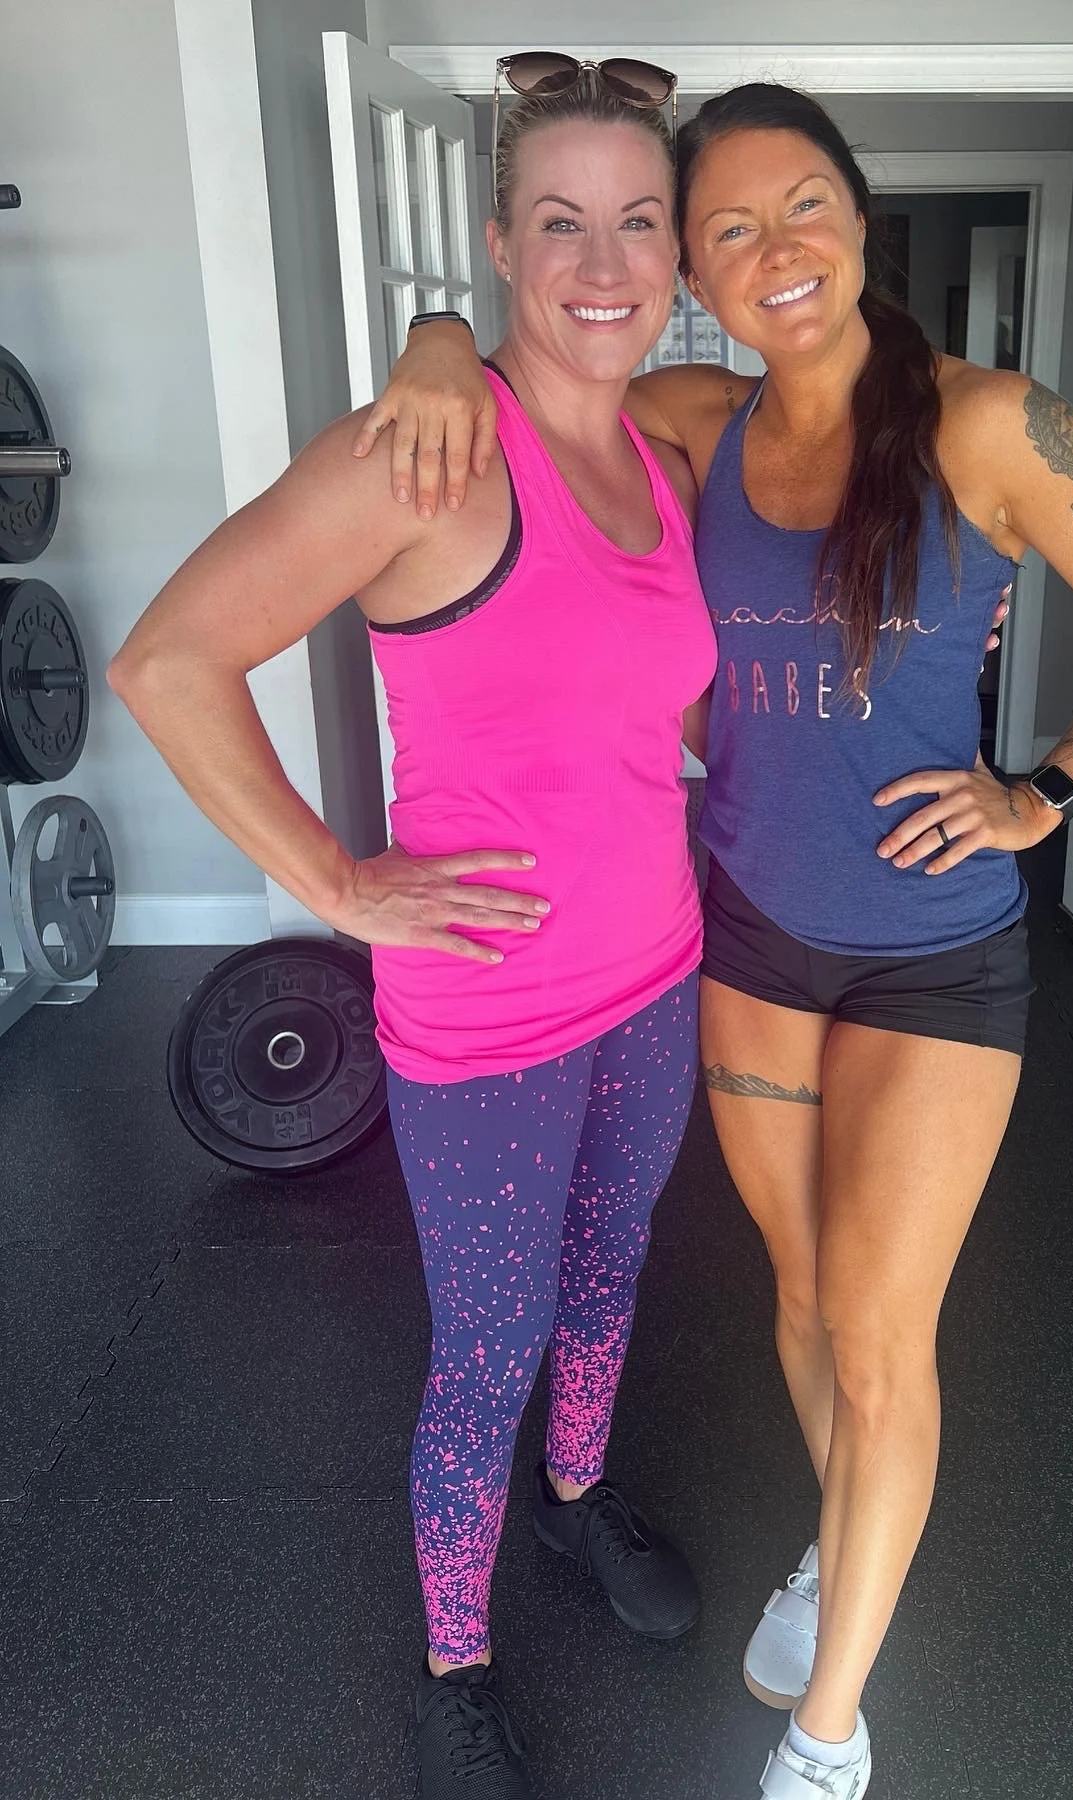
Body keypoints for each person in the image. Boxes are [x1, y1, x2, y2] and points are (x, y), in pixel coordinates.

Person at [362, 77, 1073, 1800]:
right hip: (745, 937)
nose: (773, 251)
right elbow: (548, 392)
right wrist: (439, 338)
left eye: (801, 206)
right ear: (696, 269)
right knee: (809, 1298)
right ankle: (842, 1545)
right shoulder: (693, 415)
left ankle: (829, 1736)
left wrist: (1045, 788)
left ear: (859, 217)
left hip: (932, 960)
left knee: (887, 1335)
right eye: (730, 227)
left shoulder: (987, 425)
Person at [109, 61, 722, 1800]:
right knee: (489, 1346)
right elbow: (167, 660)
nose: (602, 262)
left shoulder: (666, 448)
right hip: (490, 1021)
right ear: (500, 242)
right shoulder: (428, 453)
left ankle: (580, 1501)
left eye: (637, 221)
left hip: (656, 974)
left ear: (675, 249)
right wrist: (335, 883)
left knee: (611, 1281)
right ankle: (454, 1667)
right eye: (559, 223)